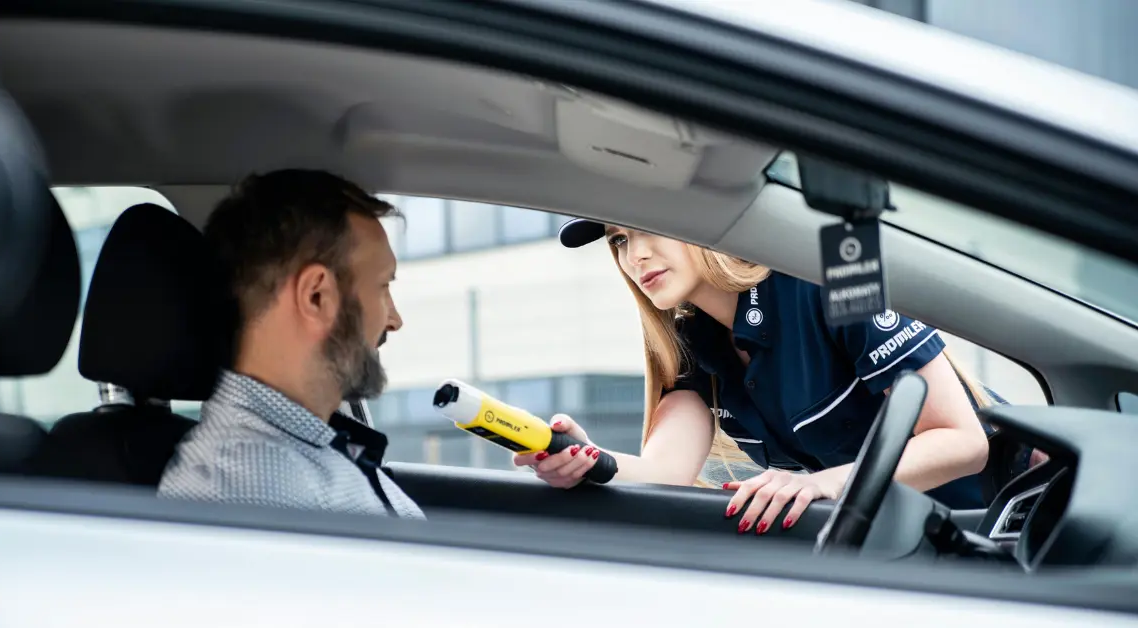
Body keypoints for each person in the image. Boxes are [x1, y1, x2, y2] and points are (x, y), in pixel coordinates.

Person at [515, 219, 997, 534]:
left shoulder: (833, 272)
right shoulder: (690, 342)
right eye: (619, 240)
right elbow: (665, 474)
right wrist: (581, 458)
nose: (634, 255)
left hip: (1018, 517)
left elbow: (963, 441)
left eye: (647, 227)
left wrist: (822, 485)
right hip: (917, 541)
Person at [158, 169, 423, 519]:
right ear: (316, 296)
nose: (394, 320)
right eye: (382, 287)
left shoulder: (312, 446)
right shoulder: (246, 488)